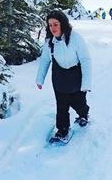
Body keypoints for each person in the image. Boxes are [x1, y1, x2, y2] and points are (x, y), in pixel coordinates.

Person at [36, 9, 92, 143]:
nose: (53, 28)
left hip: (75, 76)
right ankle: (62, 131)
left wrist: (86, 83)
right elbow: (45, 60)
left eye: (55, 24)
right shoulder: (50, 41)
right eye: (50, 25)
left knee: (78, 103)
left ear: (62, 23)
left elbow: (85, 60)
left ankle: (83, 114)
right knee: (61, 105)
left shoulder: (75, 38)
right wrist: (40, 79)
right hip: (59, 77)